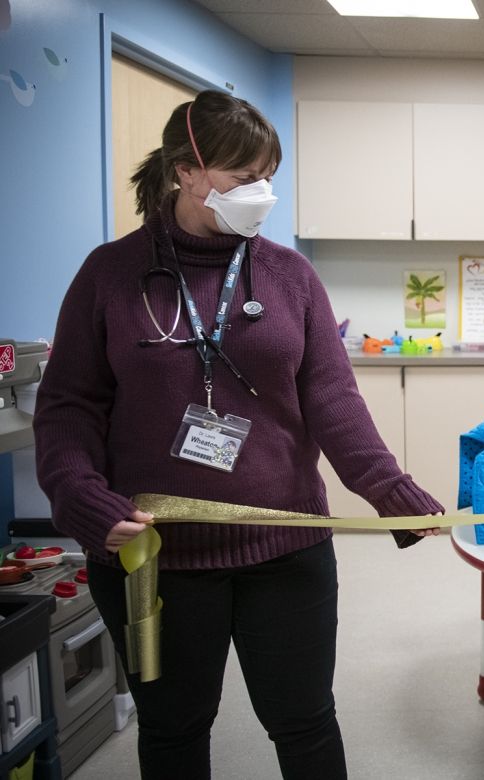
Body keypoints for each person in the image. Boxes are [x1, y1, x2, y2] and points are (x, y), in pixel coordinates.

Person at [34, 90, 442, 780]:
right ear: (185, 171)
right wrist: (82, 500)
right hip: (152, 554)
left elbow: (332, 399)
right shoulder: (110, 275)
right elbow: (68, 406)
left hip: (285, 548)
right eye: (243, 176)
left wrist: (389, 489)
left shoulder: (289, 276)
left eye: (268, 176)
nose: (261, 192)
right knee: (173, 729)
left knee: (304, 720)